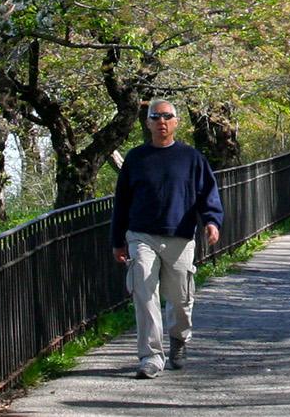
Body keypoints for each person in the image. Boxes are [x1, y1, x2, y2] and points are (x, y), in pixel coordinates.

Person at [111, 99, 224, 379]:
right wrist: (118, 241)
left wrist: (212, 221)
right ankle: (150, 357)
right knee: (144, 295)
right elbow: (121, 203)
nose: (162, 121)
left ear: (176, 122)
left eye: (167, 116)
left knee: (180, 298)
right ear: (147, 123)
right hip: (141, 236)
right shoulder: (136, 159)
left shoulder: (191, 158)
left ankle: (178, 339)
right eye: (155, 117)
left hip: (180, 237)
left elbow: (208, 195)